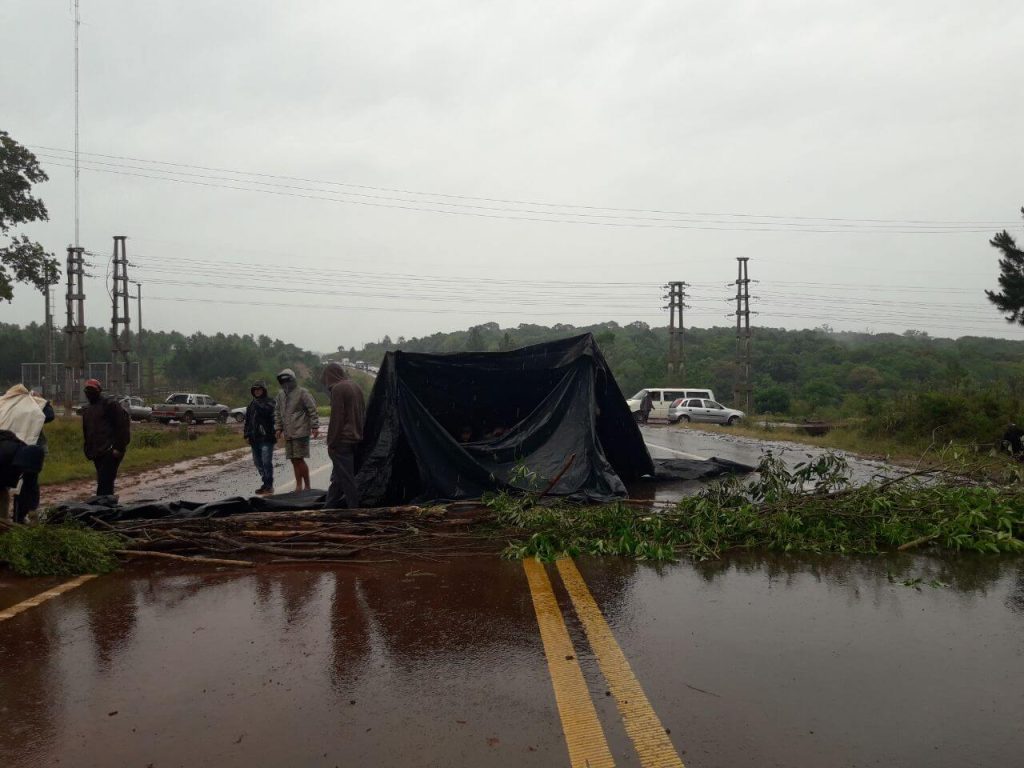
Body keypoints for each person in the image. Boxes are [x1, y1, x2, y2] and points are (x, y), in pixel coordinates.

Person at [0, 384, 51, 522]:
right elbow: (49, 416)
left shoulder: (2, 403)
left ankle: (11, 517)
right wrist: (42, 401)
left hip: (9, 450)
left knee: (8, 485)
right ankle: (21, 515)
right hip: (25, 451)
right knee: (27, 483)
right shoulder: (32, 403)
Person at [322, 362, 366, 509]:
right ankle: (328, 508)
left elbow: (337, 419)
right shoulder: (355, 386)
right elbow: (362, 413)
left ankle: (355, 510)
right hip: (355, 438)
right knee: (338, 477)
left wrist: (331, 442)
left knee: (347, 479)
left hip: (342, 440)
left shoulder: (338, 389)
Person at [81, 379, 131, 497]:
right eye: (87, 390)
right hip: (96, 453)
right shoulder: (87, 410)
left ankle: (104, 509)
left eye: (92, 390)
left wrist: (119, 448)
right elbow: (86, 431)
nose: (89, 392)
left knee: (105, 484)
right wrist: (88, 449)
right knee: (104, 482)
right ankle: (106, 508)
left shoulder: (110, 405)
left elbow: (122, 426)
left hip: (109, 451)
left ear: (99, 391)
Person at [274, 368, 319, 491]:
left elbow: (312, 410)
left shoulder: (302, 393)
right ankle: (298, 485)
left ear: (292, 379)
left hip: (301, 431)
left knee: (299, 459)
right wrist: (278, 428)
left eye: (288, 381)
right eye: (283, 382)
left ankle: (307, 486)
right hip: (288, 433)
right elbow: (278, 412)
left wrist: (315, 426)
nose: (285, 384)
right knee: (293, 460)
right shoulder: (280, 395)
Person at [243, 380, 277, 495]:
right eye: (255, 390)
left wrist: (258, 403)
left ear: (264, 390)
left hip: (267, 438)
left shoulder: (270, 402)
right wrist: (246, 434)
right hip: (254, 438)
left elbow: (267, 411)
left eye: (259, 389)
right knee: (258, 463)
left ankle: (269, 485)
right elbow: (247, 421)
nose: (257, 392)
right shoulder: (251, 404)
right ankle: (265, 484)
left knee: (266, 461)